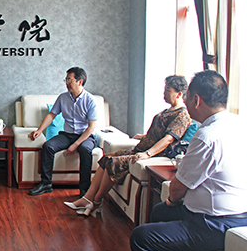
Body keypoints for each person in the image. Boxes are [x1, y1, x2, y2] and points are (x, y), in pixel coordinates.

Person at [129, 71, 247, 251]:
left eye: (187, 97)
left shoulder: (207, 136)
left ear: (196, 100)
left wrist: (172, 201)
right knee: (159, 213)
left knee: (141, 237)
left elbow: (178, 188)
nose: (186, 103)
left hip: (214, 225)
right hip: (240, 216)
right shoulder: (239, 125)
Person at [66, 75, 191, 216]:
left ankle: (96, 202)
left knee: (113, 163)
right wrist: (144, 137)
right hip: (141, 148)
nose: (164, 93)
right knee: (106, 158)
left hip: (154, 154)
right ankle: (86, 199)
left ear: (179, 94)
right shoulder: (168, 110)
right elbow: (159, 133)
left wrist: (147, 154)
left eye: (168, 90)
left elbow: (168, 139)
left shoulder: (182, 115)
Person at [27, 67, 98, 197]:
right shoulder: (63, 97)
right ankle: (46, 184)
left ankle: (84, 189)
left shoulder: (90, 100)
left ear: (80, 82)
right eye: (66, 80)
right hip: (67, 135)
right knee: (48, 146)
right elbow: (51, 115)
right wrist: (39, 130)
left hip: (86, 136)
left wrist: (75, 145)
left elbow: (91, 127)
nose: (67, 83)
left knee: (85, 150)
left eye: (69, 80)